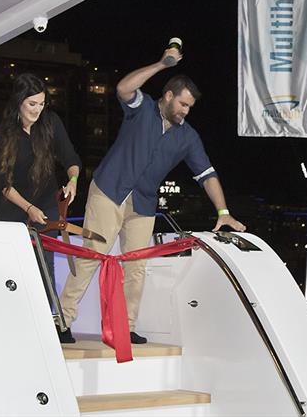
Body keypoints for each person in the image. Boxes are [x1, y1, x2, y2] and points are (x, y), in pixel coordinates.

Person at [58, 45, 245, 344]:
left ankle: (125, 327)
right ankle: (63, 321)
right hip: (109, 190)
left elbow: (207, 175)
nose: (186, 111)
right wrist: (161, 64)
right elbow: (123, 87)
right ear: (168, 96)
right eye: (183, 104)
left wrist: (223, 212)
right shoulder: (141, 108)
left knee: (136, 267)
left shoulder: (188, 136)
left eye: (190, 108)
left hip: (143, 203)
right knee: (92, 256)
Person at [0, 73, 82, 342]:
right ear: (19, 101)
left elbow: (70, 157)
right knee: (14, 267)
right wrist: (27, 208)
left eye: (42, 104)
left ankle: (51, 326)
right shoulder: (5, 133)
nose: (37, 110)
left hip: (46, 204)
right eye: (32, 104)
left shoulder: (51, 123)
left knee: (46, 266)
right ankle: (13, 324)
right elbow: (2, 183)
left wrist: (73, 180)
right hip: (14, 206)